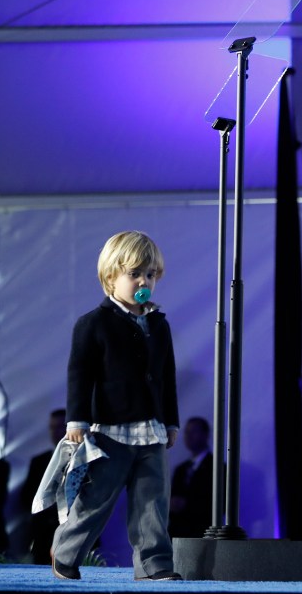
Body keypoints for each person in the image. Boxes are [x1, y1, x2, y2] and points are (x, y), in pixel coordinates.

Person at [50, 230, 182, 582]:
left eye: (150, 274)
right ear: (111, 276)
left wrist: (170, 422)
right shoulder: (93, 324)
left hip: (150, 429)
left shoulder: (159, 325)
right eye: (135, 274)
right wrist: (76, 420)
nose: (144, 281)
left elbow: (166, 376)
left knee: (152, 502)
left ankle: (155, 565)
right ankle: (65, 553)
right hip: (110, 429)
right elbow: (79, 374)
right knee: (98, 498)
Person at [19, 408, 67, 563]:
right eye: (52, 427)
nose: (55, 432)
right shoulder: (39, 462)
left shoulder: (85, 460)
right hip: (43, 536)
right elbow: (27, 498)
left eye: (60, 427)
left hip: (74, 532)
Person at [169, 416, 213, 538]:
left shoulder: (217, 468)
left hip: (204, 535)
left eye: (194, 431)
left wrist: (187, 505)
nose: (188, 436)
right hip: (178, 535)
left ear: (205, 435)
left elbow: (220, 505)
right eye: (187, 432)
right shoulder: (180, 470)